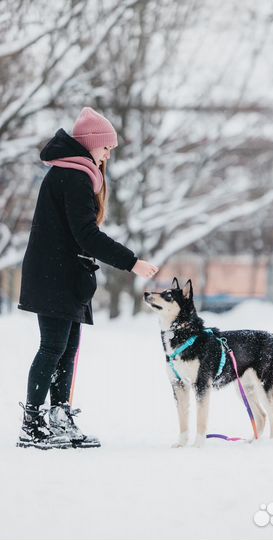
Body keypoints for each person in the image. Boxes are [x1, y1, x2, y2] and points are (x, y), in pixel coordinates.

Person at [17, 107, 159, 450]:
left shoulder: (75, 174)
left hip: (65, 275)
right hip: (54, 275)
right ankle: (32, 424)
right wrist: (132, 263)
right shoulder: (73, 177)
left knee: (67, 350)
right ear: (91, 143)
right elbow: (87, 236)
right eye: (106, 147)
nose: (108, 154)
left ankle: (59, 416)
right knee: (52, 348)